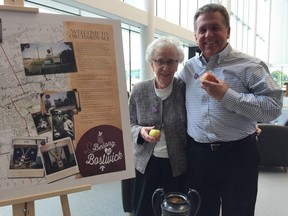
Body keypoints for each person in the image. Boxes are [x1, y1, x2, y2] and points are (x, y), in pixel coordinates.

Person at [177, 3, 283, 216]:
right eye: (202, 30)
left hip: (239, 155)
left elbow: (273, 108)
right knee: (201, 211)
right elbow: (168, 97)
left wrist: (227, 96)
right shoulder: (188, 69)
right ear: (195, 35)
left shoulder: (250, 66)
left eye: (215, 27)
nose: (208, 34)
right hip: (198, 155)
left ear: (228, 31)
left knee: (239, 211)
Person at [129, 36, 187, 216]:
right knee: (144, 209)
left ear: (178, 64)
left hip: (177, 163)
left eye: (171, 62)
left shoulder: (184, 89)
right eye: (160, 61)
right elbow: (128, 123)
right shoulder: (139, 90)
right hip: (147, 163)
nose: (165, 68)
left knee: (174, 211)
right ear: (151, 63)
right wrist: (140, 131)